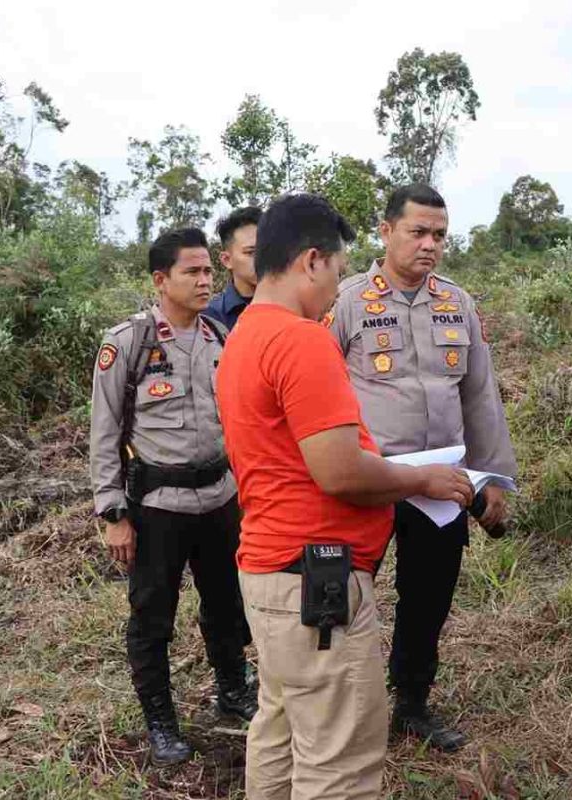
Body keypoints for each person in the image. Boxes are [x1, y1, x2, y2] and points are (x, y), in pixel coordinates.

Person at [214, 194, 474, 799]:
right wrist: (421, 480)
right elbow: (338, 471)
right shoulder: (301, 340)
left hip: (270, 574)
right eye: (336, 268)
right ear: (311, 261)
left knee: (279, 728)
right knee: (340, 762)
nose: (338, 286)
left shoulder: (245, 335)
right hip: (316, 579)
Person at [327, 183, 517, 752]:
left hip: (441, 485)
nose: (430, 244)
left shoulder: (456, 302)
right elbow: (317, 390)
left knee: (428, 598)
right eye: (418, 232)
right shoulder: (348, 302)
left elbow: (481, 395)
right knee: (343, 596)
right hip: (370, 480)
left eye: (439, 234)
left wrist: (494, 477)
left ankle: (411, 701)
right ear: (385, 232)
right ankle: (336, 706)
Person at [89, 227, 257, 766]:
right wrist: (114, 513)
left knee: (229, 606)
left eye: (209, 270)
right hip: (159, 507)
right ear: (161, 279)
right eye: (193, 271)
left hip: (220, 498)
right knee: (153, 616)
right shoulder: (130, 343)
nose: (205, 280)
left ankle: (233, 691)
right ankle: (161, 721)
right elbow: (105, 435)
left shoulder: (219, 336)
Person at [205, 206, 260, 330]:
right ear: (227, 260)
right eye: (251, 252)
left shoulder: (293, 306)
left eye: (267, 250)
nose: (262, 258)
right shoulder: (210, 316)